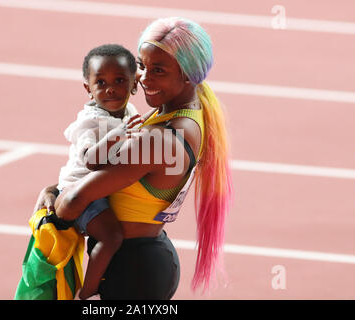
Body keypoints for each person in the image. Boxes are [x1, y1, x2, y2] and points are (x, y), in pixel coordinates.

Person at [35, 17, 233, 299]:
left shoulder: (157, 140)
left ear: (188, 75)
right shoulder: (190, 110)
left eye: (158, 70)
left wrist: (53, 200)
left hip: (133, 273)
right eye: (142, 66)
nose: (143, 78)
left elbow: (73, 202)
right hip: (145, 261)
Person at [47, 44, 143, 300]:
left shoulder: (129, 112)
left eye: (119, 80)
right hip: (79, 193)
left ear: (135, 84)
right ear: (88, 88)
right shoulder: (88, 121)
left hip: (101, 188)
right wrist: (120, 134)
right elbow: (91, 159)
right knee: (112, 237)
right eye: (100, 82)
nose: (110, 88)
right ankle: (88, 290)